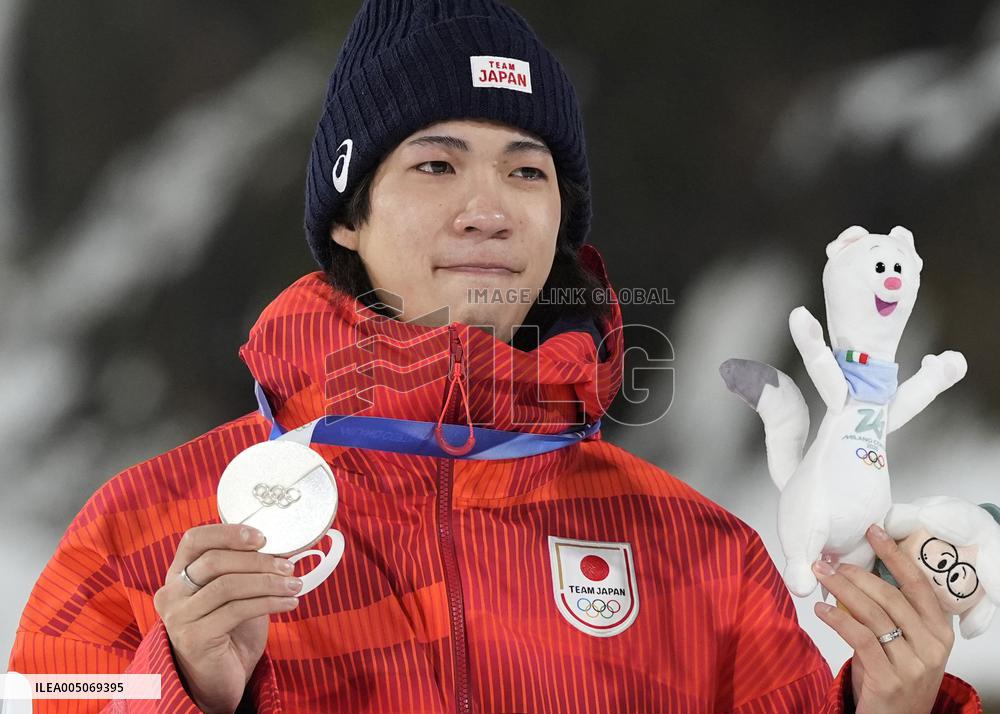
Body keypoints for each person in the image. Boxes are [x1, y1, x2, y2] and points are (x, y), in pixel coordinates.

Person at [6, 1, 983, 712]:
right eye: (436, 163)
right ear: (348, 214)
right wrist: (178, 688)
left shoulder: (700, 562)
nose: (489, 205)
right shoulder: (149, 532)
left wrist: (888, 708)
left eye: (526, 168)